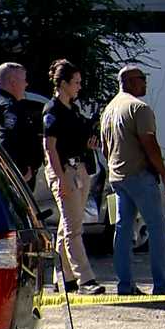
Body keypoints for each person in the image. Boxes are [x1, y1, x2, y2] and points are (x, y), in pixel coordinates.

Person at [101, 64, 165, 297]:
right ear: (127, 81)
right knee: (157, 227)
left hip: (117, 178)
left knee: (123, 230)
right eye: (141, 78)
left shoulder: (109, 110)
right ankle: (162, 284)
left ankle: (125, 285)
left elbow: (106, 149)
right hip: (139, 176)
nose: (145, 83)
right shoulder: (139, 108)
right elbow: (150, 145)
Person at [42, 59, 105, 296]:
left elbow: (77, 139)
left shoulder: (73, 110)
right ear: (63, 83)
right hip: (65, 171)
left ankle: (64, 277)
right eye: (75, 82)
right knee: (73, 230)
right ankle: (85, 279)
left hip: (80, 169)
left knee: (68, 226)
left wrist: (89, 142)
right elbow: (50, 147)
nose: (79, 86)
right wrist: (60, 179)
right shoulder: (52, 111)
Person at [0, 62, 42, 183]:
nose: (26, 84)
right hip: (13, 181)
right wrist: (20, 172)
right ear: (13, 82)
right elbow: (6, 143)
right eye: (24, 80)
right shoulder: (8, 106)